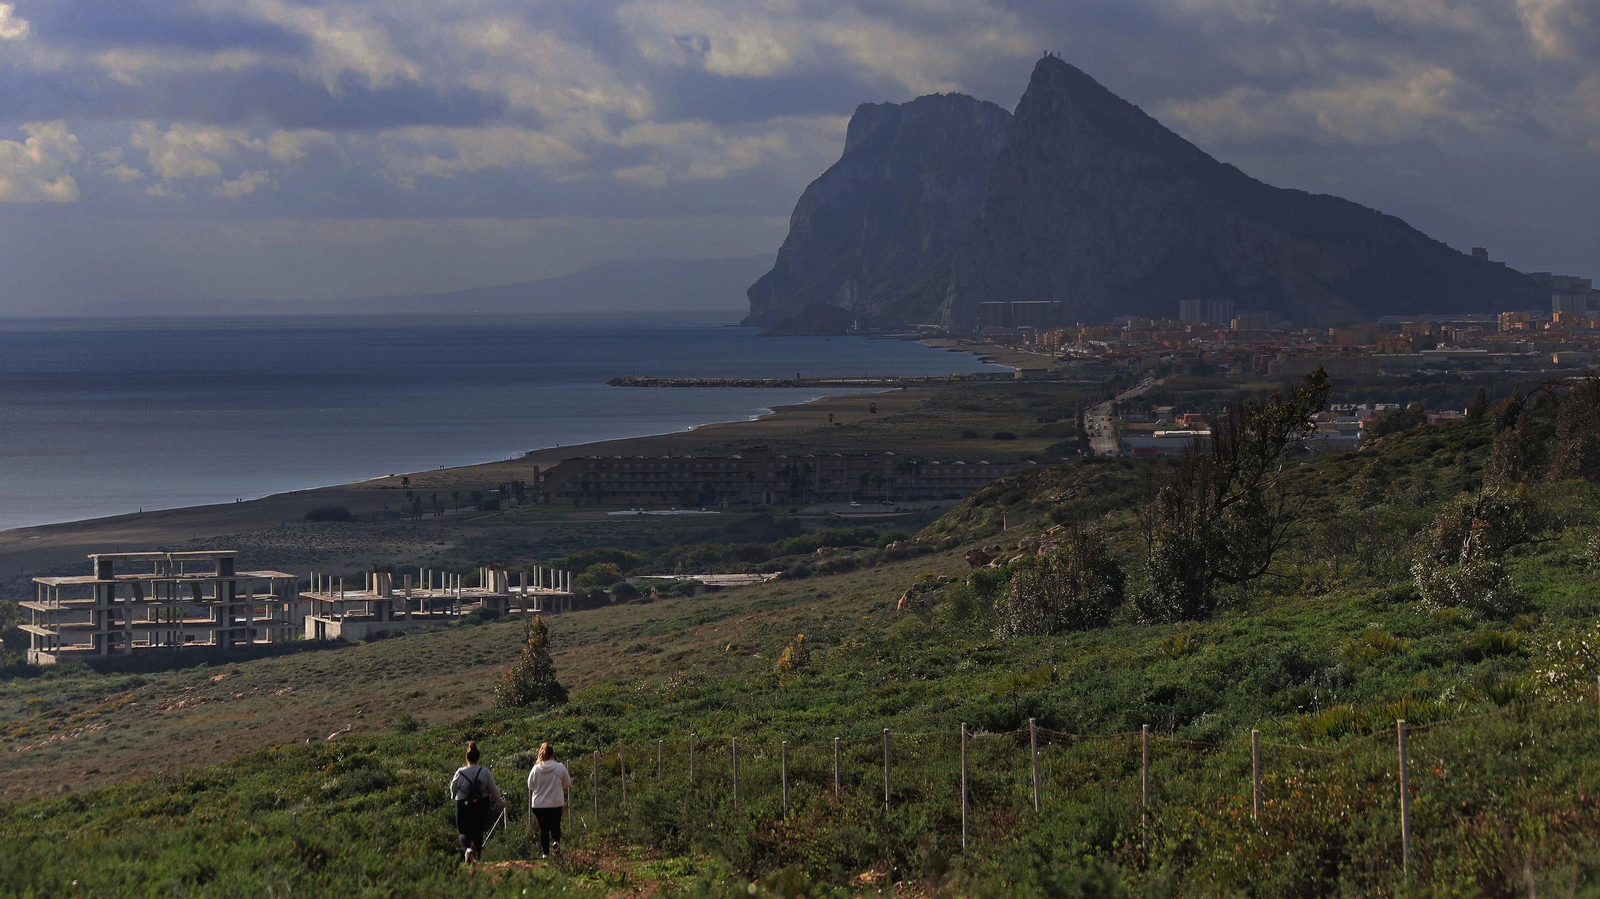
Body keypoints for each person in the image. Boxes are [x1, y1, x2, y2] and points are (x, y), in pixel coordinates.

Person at [449, 741, 508, 864]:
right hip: (481, 804)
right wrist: (501, 803)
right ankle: (477, 857)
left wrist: (454, 797)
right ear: (478, 757)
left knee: (463, 831)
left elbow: (453, 788)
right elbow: (493, 789)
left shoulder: (460, 772)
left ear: (467, 758)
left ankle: (467, 849)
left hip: (462, 803)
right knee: (478, 830)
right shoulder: (484, 771)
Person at [526, 742, 571, 859]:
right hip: (555, 802)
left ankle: (545, 853)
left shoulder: (535, 769)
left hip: (539, 804)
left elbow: (530, 785)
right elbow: (567, 783)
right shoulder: (560, 767)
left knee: (543, 828)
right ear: (553, 755)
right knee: (556, 825)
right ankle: (556, 841)